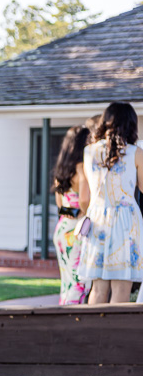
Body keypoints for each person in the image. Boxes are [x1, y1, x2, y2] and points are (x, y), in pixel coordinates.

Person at [79, 102, 143, 304]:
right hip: (125, 221)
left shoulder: (89, 152)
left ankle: (93, 333)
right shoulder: (135, 152)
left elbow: (86, 195)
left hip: (97, 219)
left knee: (97, 289)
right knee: (121, 288)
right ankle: (116, 336)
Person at [51, 126, 91, 305]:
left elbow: (60, 204)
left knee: (66, 281)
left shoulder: (61, 169)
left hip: (62, 229)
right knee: (79, 282)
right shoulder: (81, 167)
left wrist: (73, 211)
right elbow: (84, 199)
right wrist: (85, 211)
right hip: (76, 232)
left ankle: (63, 314)